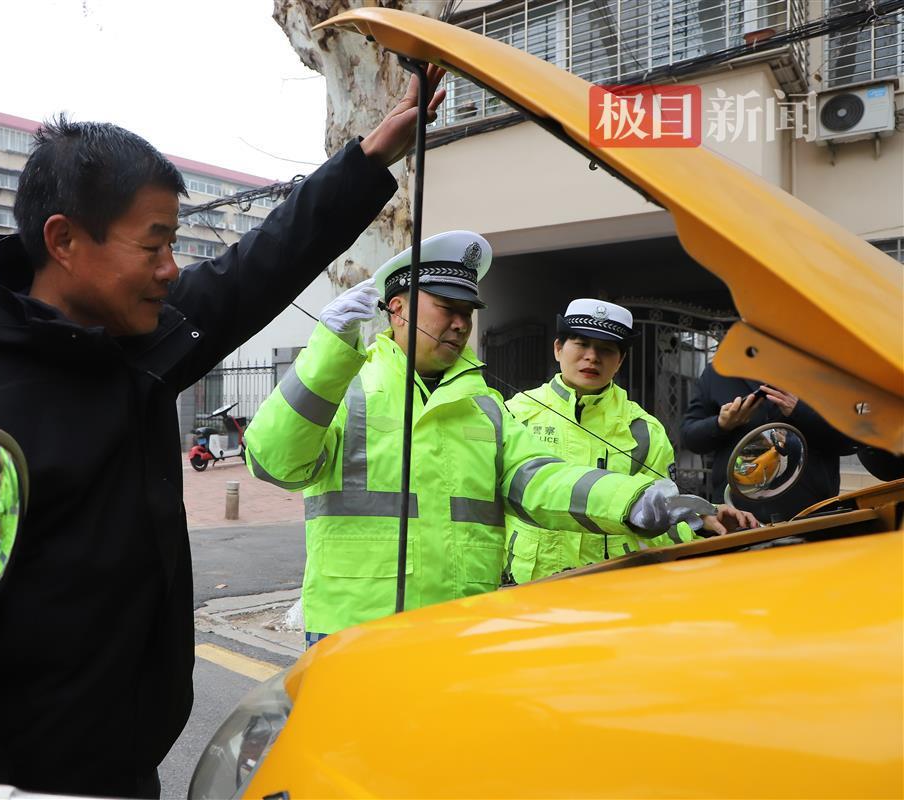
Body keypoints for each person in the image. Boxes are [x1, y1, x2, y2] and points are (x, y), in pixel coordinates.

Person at [0, 67, 449, 800]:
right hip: (26, 786)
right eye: (153, 245)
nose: (171, 269)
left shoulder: (132, 343)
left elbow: (254, 268)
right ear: (63, 241)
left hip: (125, 761)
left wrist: (367, 160)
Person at [243, 233, 730, 645]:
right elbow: (274, 461)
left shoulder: (486, 407)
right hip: (356, 629)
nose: (459, 323)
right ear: (397, 309)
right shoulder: (344, 386)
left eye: (467, 312)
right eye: (446, 308)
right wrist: (326, 356)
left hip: (457, 628)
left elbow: (541, 481)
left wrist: (640, 499)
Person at [503, 299, 758, 584]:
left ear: (620, 360)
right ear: (558, 349)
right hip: (529, 582)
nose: (592, 357)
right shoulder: (516, 413)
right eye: (581, 344)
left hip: (612, 582)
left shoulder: (643, 430)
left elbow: (661, 516)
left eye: (605, 349)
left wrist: (701, 522)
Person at [681, 360, 856, 522]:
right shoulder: (719, 371)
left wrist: (799, 411)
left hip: (811, 516)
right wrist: (721, 424)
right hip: (738, 517)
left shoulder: (821, 369)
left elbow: (852, 440)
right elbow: (690, 436)